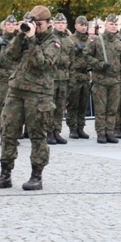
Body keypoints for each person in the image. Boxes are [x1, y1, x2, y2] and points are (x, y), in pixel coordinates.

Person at [0, 5, 59, 190]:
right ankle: (5, 174)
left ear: (48, 23)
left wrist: (33, 39)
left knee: (37, 135)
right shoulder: (24, 38)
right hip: (16, 90)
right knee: (8, 132)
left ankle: (36, 176)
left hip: (39, 94)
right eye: (33, 23)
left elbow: (42, 63)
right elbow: (9, 56)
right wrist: (20, 36)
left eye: (39, 24)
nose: (36, 26)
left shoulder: (53, 42)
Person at [84, 14, 121, 144]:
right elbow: (86, 55)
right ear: (106, 25)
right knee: (100, 109)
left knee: (113, 109)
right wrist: (99, 64)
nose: (114, 27)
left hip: (115, 81)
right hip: (101, 80)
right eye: (111, 24)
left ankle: (110, 132)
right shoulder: (97, 41)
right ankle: (101, 133)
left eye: (115, 24)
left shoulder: (120, 44)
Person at [47, 13, 73, 145]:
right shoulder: (50, 38)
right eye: (58, 23)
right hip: (52, 77)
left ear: (66, 25)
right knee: (50, 106)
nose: (60, 25)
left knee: (60, 106)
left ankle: (57, 131)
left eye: (63, 23)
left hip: (64, 77)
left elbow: (72, 60)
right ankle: (49, 132)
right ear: (54, 24)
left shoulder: (69, 40)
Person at [0, 15, 18, 136]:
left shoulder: (20, 40)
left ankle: (13, 134)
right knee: (3, 107)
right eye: (8, 24)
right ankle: (4, 134)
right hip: (2, 79)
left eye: (13, 24)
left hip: (17, 78)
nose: (11, 26)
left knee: (16, 108)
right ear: (4, 27)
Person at [66, 16, 91, 139]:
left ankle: (81, 127)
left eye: (85, 25)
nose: (83, 27)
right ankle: (73, 128)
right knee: (73, 103)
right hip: (74, 74)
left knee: (83, 104)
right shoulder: (70, 40)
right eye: (81, 25)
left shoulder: (90, 40)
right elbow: (67, 59)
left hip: (86, 75)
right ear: (76, 26)